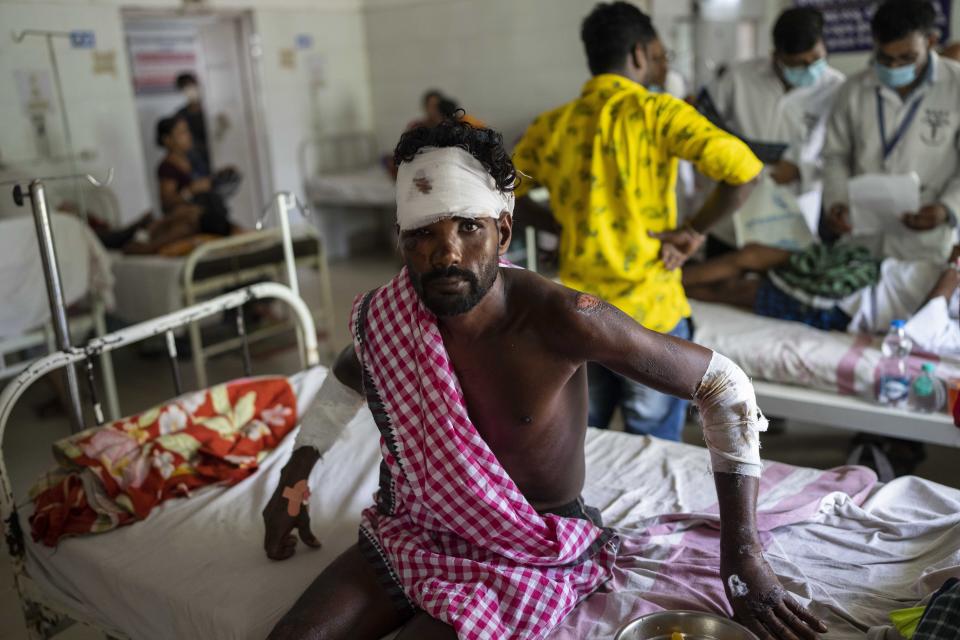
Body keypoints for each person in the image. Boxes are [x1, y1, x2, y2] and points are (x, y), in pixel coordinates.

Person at [262, 120, 826, 640]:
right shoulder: (391, 320)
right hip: (414, 528)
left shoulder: (562, 319)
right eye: (423, 235)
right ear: (401, 241)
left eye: (469, 227)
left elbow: (724, 387)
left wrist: (743, 553)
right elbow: (344, 380)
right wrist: (293, 483)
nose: (446, 253)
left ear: (503, 231)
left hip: (529, 545)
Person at [510, 2, 762, 440]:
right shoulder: (658, 113)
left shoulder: (553, 126)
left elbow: (504, 191)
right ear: (640, 53)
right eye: (660, 55)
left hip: (578, 314)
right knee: (652, 444)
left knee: (586, 440)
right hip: (649, 317)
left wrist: (558, 225)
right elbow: (744, 171)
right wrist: (693, 231)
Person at [822, 0, 960, 263]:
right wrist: (836, 202)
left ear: (930, 41)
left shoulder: (956, 87)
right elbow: (835, 155)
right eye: (885, 58)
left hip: (926, 238)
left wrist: (947, 208)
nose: (895, 67)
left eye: (907, 58)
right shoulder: (852, 90)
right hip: (861, 233)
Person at [704, 7, 846, 248]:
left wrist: (802, 170)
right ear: (775, 55)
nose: (810, 69)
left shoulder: (836, 87)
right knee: (727, 269)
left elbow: (842, 152)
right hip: (734, 205)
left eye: (816, 59)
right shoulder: (739, 77)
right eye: (798, 64)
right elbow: (704, 123)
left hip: (795, 210)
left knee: (782, 276)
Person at [683, 242, 960, 353]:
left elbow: (926, 332)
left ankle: (666, 284)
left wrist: (952, 270)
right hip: (863, 268)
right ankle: (663, 274)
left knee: (731, 292)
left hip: (849, 304)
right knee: (751, 254)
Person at [125, 116, 233, 254]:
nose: (188, 136)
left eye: (187, 131)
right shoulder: (167, 168)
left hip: (206, 211)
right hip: (184, 219)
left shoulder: (192, 159)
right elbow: (167, 204)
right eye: (181, 133)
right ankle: (146, 248)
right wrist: (190, 191)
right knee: (192, 220)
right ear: (167, 140)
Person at [175, 72, 211, 176]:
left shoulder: (211, 111)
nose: (189, 90)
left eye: (191, 85)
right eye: (185, 87)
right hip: (197, 162)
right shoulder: (181, 115)